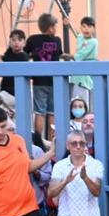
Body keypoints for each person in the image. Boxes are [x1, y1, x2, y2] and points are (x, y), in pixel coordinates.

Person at [26, 13, 63, 142]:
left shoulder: (32, 39)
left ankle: (38, 140)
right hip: (54, 80)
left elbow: (25, 54)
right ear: (51, 28)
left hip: (39, 80)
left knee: (39, 112)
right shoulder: (57, 40)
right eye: (55, 26)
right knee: (52, 112)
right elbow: (59, 54)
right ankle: (51, 140)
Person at [68, 16, 98, 104]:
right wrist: (69, 24)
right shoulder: (81, 37)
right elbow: (76, 32)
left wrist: (70, 56)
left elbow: (82, 55)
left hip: (86, 73)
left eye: (89, 27)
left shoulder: (93, 42)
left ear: (94, 29)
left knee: (84, 100)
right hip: (78, 73)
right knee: (76, 98)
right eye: (84, 26)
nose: (86, 29)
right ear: (81, 28)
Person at [0, 29, 28, 108]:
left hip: (16, 91)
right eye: (13, 40)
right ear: (9, 42)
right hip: (5, 89)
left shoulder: (23, 56)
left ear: (24, 43)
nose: (16, 42)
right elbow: (5, 59)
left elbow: (6, 68)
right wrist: (0, 56)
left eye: (19, 40)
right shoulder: (9, 52)